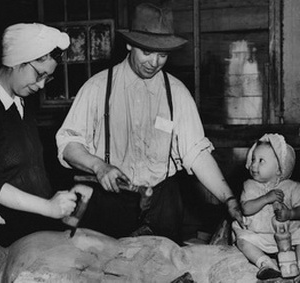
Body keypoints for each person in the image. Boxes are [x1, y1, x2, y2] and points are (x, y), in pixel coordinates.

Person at [56, 2, 244, 243]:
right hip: (110, 201)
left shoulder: (176, 93)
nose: (154, 62)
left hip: (163, 201)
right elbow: (68, 144)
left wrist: (228, 198)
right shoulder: (97, 88)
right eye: (147, 52)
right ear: (129, 44)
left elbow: (196, 153)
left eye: (162, 55)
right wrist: (99, 166)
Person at [0, 23, 78, 247]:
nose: (42, 85)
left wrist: (56, 207)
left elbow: (29, 169)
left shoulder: (21, 101)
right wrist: (48, 207)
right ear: (17, 61)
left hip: (31, 230)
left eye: (48, 78)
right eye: (40, 74)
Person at [232, 133, 300, 280]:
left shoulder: (292, 187)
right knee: (243, 240)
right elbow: (246, 208)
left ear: (279, 169)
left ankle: (298, 264)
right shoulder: (249, 186)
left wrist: (291, 214)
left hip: (289, 236)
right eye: (253, 159)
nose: (254, 165)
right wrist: (265, 198)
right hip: (260, 236)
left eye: (261, 161)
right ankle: (265, 263)